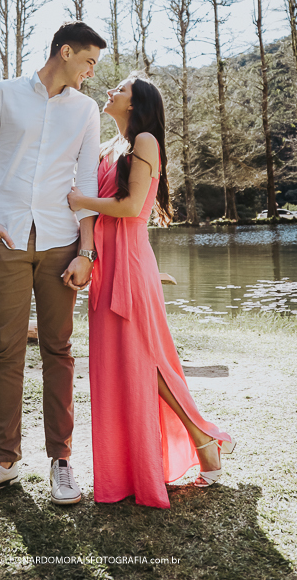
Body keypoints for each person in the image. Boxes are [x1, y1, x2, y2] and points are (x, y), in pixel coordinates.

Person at [0, 21, 107, 505]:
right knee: (7, 350)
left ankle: (61, 461)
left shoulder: (85, 110)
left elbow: (85, 185)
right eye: (88, 62)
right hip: (8, 238)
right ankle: (3, 461)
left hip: (62, 243)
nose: (90, 74)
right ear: (65, 51)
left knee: (59, 350)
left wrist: (86, 252)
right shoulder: (3, 94)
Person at [67, 74, 235, 508]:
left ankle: (204, 440)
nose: (110, 92)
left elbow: (129, 207)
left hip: (132, 260)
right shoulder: (107, 147)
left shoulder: (144, 141)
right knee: (117, 366)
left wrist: (81, 201)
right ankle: (125, 469)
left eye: (120, 89)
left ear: (136, 103)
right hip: (107, 265)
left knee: (148, 361)